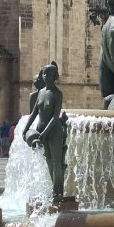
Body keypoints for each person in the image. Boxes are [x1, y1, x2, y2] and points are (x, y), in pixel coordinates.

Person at [21, 63, 67, 200]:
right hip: (41, 131)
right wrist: (25, 129)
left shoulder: (57, 94)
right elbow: (34, 113)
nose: (45, 76)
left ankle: (58, 191)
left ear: (54, 77)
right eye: (44, 74)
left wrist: (45, 133)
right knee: (48, 160)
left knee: (56, 162)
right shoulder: (40, 93)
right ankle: (55, 188)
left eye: (48, 74)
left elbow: (55, 116)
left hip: (54, 131)